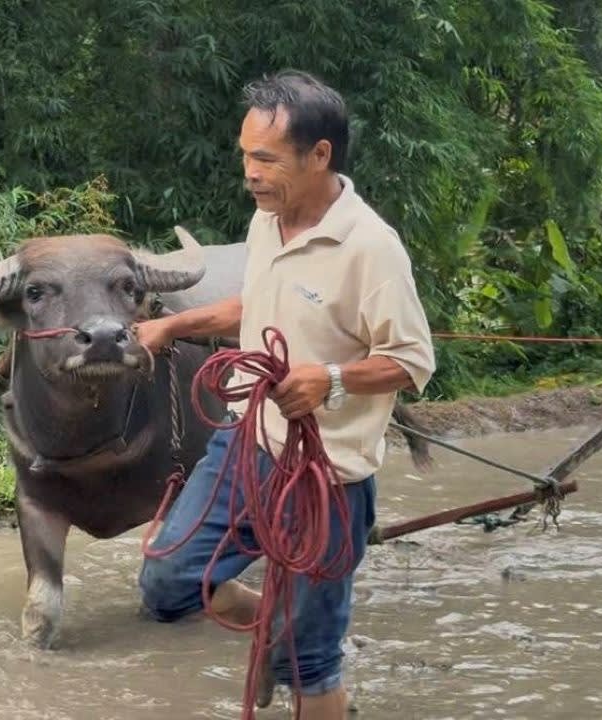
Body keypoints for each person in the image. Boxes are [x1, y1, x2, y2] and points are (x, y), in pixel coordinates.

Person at [133, 70, 436, 718]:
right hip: (245, 446)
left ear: (319, 154)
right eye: (246, 155)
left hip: (327, 477)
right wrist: (171, 326)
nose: (250, 172)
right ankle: (273, 623)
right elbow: (256, 302)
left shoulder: (370, 248)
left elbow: (413, 361)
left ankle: (302, 661)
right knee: (169, 581)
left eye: (266, 158)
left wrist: (331, 378)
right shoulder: (267, 221)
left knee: (311, 662)